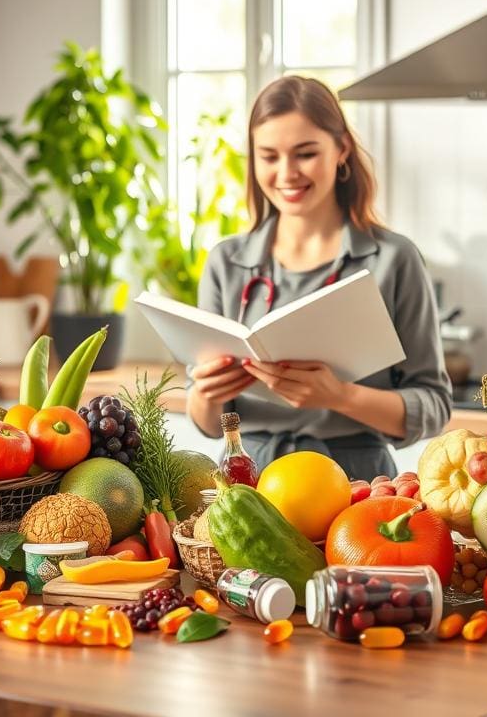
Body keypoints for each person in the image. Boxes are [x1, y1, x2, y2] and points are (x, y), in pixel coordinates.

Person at [186, 75, 451, 480]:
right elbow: (207, 422)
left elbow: (433, 406)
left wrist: (340, 396)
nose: (287, 173)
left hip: (357, 486)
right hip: (251, 484)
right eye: (269, 156)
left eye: (305, 153)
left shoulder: (395, 260)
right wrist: (205, 392)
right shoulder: (227, 262)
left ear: (341, 148)